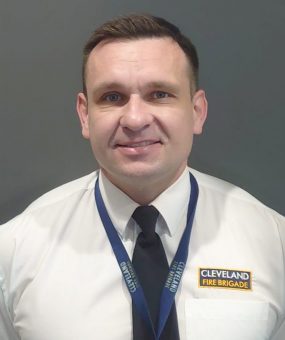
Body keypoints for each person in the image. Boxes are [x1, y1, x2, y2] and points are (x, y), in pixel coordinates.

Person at [0, 14, 284, 340]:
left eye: (160, 94)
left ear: (197, 111)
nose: (135, 119)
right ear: (85, 115)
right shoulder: (14, 250)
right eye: (112, 97)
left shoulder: (274, 243)